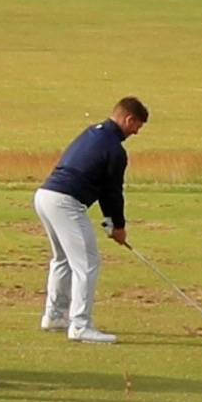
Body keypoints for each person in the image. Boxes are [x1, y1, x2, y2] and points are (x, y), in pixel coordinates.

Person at [36, 95, 147, 340]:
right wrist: (118, 226)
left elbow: (101, 186)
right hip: (65, 202)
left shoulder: (92, 133)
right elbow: (112, 192)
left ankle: (54, 316)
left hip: (45, 196)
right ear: (128, 119)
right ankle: (80, 326)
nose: (136, 132)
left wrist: (111, 221)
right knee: (87, 263)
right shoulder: (115, 149)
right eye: (137, 126)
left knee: (63, 259)